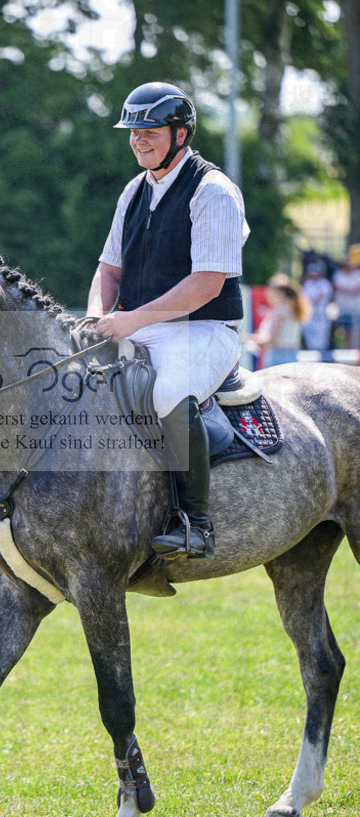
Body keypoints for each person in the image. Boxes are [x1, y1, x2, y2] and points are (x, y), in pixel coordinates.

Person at [89, 82, 249, 562]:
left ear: (181, 133)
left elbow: (207, 284)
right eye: (132, 132)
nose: (138, 140)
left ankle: (196, 525)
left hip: (203, 329)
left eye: (150, 130)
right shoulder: (134, 190)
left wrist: (131, 321)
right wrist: (97, 317)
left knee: (166, 394)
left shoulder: (213, 190)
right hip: (139, 325)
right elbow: (109, 270)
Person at [245, 273, 310, 367]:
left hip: (277, 358)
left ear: (279, 293)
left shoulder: (279, 312)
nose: (267, 293)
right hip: (293, 356)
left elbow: (272, 340)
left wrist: (247, 339)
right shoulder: (292, 309)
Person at [301, 262, 333, 351]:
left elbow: (319, 297)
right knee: (310, 339)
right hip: (309, 315)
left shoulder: (325, 283)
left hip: (321, 316)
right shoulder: (308, 283)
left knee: (321, 340)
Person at [332, 256, 360, 350]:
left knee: (355, 333)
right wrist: (350, 290)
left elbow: (357, 290)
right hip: (342, 309)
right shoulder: (338, 274)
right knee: (341, 333)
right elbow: (336, 288)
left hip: (355, 310)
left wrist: (344, 289)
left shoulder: (357, 274)